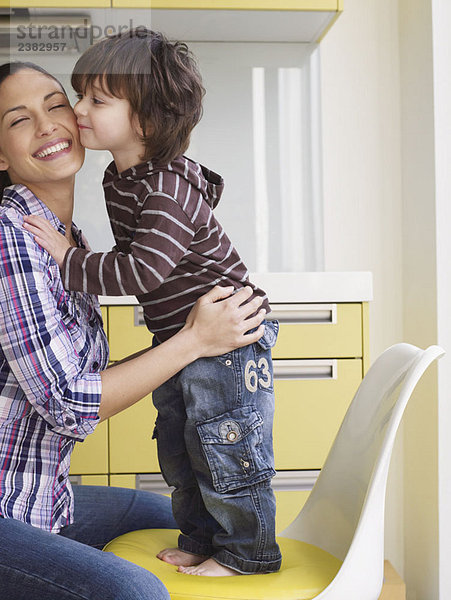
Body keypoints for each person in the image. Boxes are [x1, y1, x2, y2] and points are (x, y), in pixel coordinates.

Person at [0, 60, 267, 600]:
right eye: (18, 119)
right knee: (136, 592)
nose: (52, 122)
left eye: (57, 105)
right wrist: (194, 341)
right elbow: (69, 402)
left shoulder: (64, 239)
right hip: (8, 504)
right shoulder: (13, 235)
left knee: (185, 517)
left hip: (41, 493)